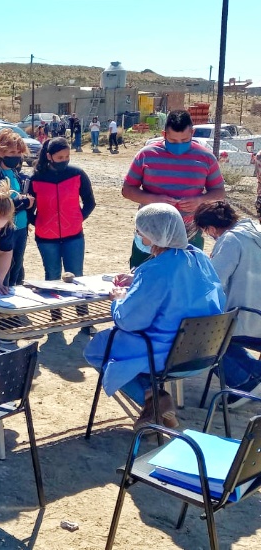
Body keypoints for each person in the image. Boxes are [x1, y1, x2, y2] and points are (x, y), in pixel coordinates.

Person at [84, 203, 225, 429]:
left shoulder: (156, 270)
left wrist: (119, 299)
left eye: (141, 231)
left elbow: (129, 320)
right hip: (206, 350)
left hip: (165, 354)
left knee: (97, 349)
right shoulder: (199, 258)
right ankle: (158, 409)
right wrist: (138, 282)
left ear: (153, 234)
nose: (139, 235)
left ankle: (153, 398)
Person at [123, 109, 225, 268]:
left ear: (193, 132)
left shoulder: (206, 158)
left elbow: (219, 192)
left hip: (189, 233)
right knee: (142, 280)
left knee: (186, 282)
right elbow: (127, 190)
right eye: (173, 140)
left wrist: (200, 201)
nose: (179, 145)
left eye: (184, 140)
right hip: (150, 233)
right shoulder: (146, 155)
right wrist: (154, 200)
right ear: (164, 134)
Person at [193, 201, 261, 404]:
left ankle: (242, 382)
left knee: (199, 334)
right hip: (255, 315)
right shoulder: (255, 230)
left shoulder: (231, 240)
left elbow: (214, 282)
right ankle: (254, 373)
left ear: (211, 228)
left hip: (248, 317)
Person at [28, 137, 96, 284]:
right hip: (46, 239)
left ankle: (81, 308)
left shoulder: (77, 174)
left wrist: (77, 218)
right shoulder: (36, 178)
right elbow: (28, 208)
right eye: (60, 157)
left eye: (67, 157)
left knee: (76, 276)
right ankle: (55, 308)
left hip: (74, 236)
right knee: (52, 276)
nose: (64, 160)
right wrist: (39, 223)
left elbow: (90, 202)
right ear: (49, 156)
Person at [0, 129, 33, 286]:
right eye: (11, 152)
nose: (15, 156)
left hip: (21, 228)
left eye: (18, 152)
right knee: (3, 273)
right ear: (0, 151)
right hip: (3, 231)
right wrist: (23, 203)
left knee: (17, 270)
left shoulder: (14, 173)